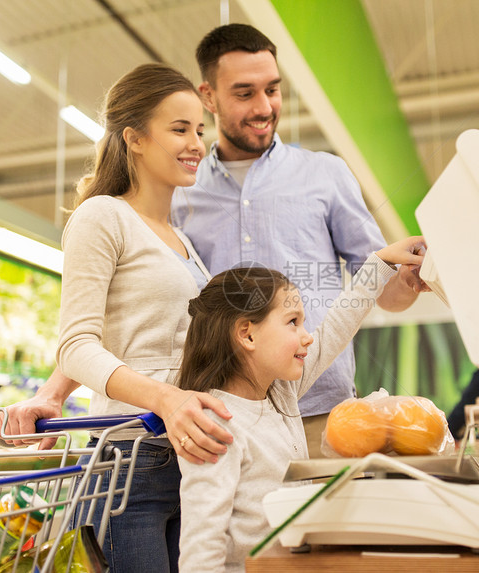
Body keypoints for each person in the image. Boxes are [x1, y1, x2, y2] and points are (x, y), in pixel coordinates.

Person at [172, 23, 424, 456]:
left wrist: (409, 280)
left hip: (324, 413)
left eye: (272, 89)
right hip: (224, 415)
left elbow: (386, 293)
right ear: (208, 96)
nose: (264, 107)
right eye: (244, 93)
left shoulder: (325, 175)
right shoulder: (181, 192)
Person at [40, 62, 234, 573]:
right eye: (179, 129)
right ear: (135, 138)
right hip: (126, 463)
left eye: (199, 129)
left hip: (185, 459)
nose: (196, 142)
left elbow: (131, 330)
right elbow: (77, 344)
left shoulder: (182, 241)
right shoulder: (103, 216)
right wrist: (166, 399)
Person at [175, 237, 426, 572]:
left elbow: (335, 328)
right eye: (293, 322)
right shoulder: (215, 424)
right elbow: (200, 550)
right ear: (247, 334)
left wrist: (379, 262)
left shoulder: (280, 394)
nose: (307, 336)